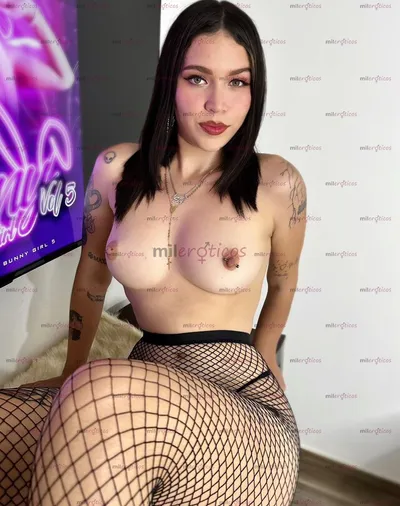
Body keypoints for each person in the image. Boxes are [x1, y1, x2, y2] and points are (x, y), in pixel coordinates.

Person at [0, 1, 307, 504]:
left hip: (239, 401)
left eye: (237, 82)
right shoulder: (117, 168)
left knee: (102, 392)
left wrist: (268, 349)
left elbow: (284, 279)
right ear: (169, 81)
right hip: (144, 377)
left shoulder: (276, 182)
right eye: (197, 78)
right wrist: (74, 365)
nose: (217, 104)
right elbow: (92, 275)